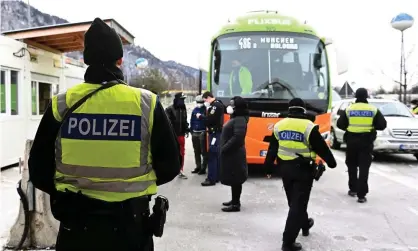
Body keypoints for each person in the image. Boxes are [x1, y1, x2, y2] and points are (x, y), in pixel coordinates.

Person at [28, 18, 181, 251]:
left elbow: (38, 170)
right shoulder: (147, 103)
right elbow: (170, 167)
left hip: (76, 228)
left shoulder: (62, 104)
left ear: (86, 60)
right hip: (132, 230)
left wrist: (69, 192)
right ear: (119, 60)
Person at [264, 98, 337, 251]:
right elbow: (321, 148)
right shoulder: (308, 127)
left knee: (294, 201)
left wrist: (268, 169)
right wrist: (331, 163)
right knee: (298, 204)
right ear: (303, 110)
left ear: (289, 109)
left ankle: (304, 224)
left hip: (285, 169)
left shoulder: (279, 125)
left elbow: (272, 149)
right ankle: (288, 242)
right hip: (303, 171)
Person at [337, 88, 387, 203]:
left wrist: (350, 127)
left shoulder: (349, 109)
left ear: (355, 96)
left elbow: (340, 124)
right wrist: (371, 126)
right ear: (366, 96)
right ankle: (361, 195)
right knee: (364, 168)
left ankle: (353, 189)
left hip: (352, 141)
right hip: (366, 142)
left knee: (352, 165)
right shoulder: (373, 109)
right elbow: (382, 125)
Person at [220, 96, 249, 212]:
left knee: (236, 178)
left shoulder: (240, 120)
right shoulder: (237, 118)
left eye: (232, 105)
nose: (229, 107)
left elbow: (238, 137)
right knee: (233, 177)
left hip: (235, 154)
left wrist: (225, 148)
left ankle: (236, 204)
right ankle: (234, 200)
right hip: (232, 153)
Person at [198, 91, 225, 186]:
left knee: (212, 155)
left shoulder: (215, 106)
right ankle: (217, 177)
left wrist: (201, 117)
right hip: (215, 133)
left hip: (214, 133)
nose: (205, 102)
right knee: (216, 155)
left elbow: (210, 120)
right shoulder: (217, 104)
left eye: (205, 100)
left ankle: (211, 179)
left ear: (209, 97)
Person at [165, 92, 190, 179]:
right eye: (181, 99)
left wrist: (186, 128)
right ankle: (170, 169)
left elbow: (185, 119)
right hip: (172, 135)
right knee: (171, 152)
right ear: (177, 99)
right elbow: (166, 123)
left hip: (181, 135)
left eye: (183, 100)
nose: (183, 101)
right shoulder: (169, 109)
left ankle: (180, 169)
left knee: (182, 152)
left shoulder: (183, 109)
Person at [190, 95, 208, 175]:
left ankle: (203, 168)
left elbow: (207, 120)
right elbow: (192, 120)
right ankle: (198, 166)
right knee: (196, 151)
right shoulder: (194, 110)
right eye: (198, 102)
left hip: (202, 132)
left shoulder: (206, 110)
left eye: (200, 102)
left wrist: (201, 117)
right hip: (194, 132)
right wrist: (191, 130)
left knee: (203, 151)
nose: (199, 104)